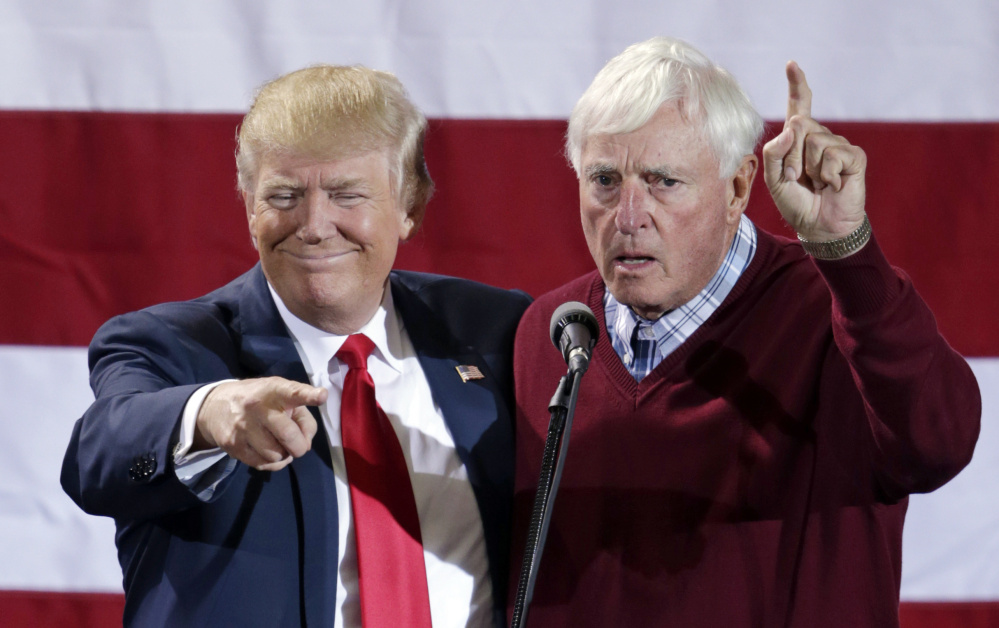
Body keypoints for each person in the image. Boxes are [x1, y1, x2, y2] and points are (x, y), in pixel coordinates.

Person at [511, 37, 981, 627]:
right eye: (605, 180)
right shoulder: (552, 334)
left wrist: (847, 253)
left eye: (663, 181)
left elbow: (939, 444)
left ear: (737, 189)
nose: (628, 216)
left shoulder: (838, 313)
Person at [61, 64, 531, 627]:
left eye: (346, 194)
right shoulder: (170, 344)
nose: (313, 224)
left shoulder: (497, 331)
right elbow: (98, 455)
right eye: (284, 195)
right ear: (248, 207)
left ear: (410, 206)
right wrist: (210, 413)